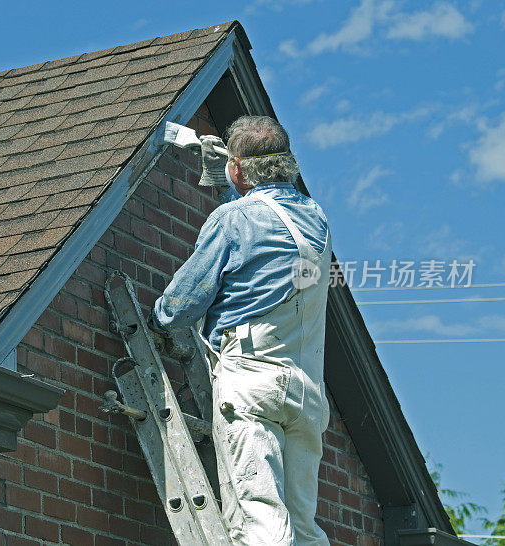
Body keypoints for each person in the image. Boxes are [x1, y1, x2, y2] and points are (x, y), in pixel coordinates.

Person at [149, 115, 332, 545]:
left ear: (236, 167)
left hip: (251, 382)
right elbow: (269, 217)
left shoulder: (232, 220)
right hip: (304, 393)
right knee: (303, 529)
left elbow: (183, 303)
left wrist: (158, 319)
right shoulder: (316, 218)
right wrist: (233, 175)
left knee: (260, 524)